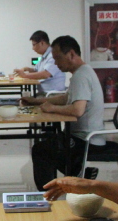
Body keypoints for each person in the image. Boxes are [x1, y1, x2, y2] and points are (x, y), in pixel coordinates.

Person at [22, 35, 105, 190]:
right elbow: (66, 98)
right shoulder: (82, 72)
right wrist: (36, 101)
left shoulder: (81, 76)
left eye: (58, 58)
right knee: (48, 138)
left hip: (86, 139)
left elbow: (77, 110)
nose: (56, 64)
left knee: (41, 150)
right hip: (85, 135)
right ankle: (77, 173)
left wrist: (52, 108)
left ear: (71, 54)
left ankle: (47, 193)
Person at [14, 30, 66, 95]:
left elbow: (46, 74)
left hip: (52, 94)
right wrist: (26, 69)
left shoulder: (52, 55)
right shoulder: (44, 56)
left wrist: (25, 75)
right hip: (45, 93)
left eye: (34, 45)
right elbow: (36, 71)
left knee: (26, 99)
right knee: (25, 98)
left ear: (42, 43)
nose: (33, 48)